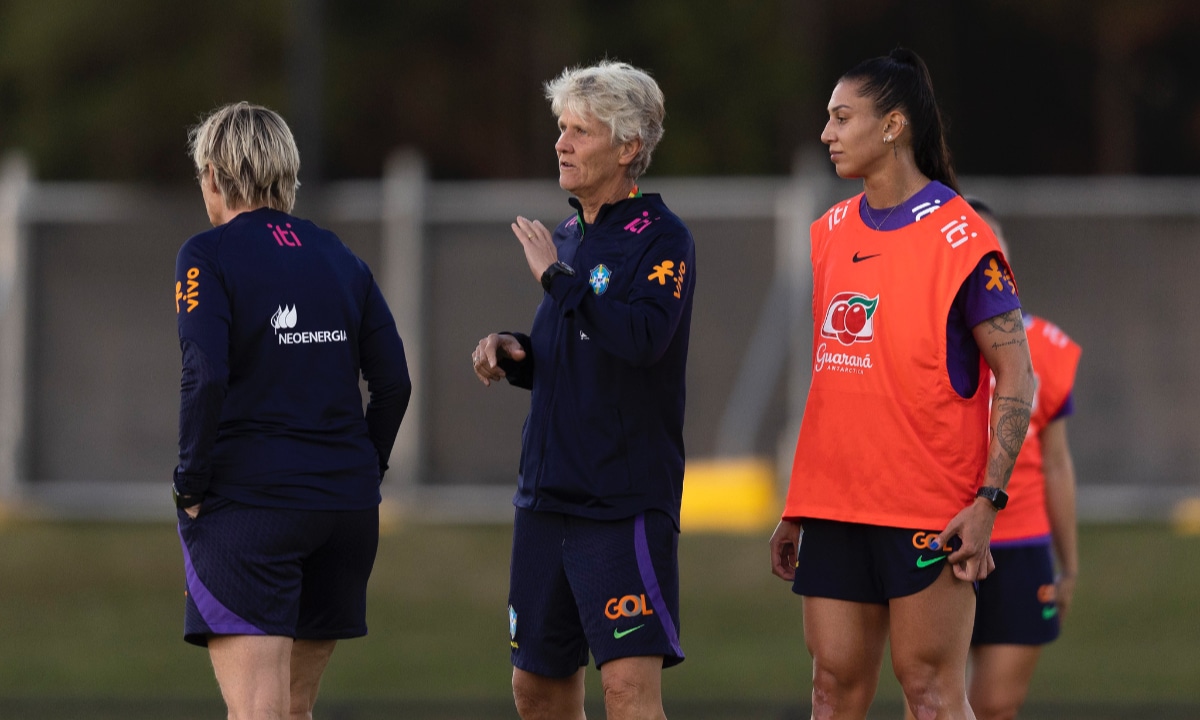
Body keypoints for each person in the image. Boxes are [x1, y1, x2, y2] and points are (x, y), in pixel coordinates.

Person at [768, 49, 1036, 720]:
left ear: (892, 126)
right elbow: (837, 381)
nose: (827, 133)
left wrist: (988, 501)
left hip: (926, 511)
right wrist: (799, 503)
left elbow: (1017, 375)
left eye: (841, 117)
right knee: (832, 692)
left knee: (932, 695)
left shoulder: (964, 239)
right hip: (833, 506)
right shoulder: (828, 233)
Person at [471, 61, 694, 720]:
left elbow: (642, 341)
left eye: (581, 132)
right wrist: (516, 355)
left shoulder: (662, 238)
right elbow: (577, 356)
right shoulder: (569, 235)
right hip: (544, 499)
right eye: (562, 129)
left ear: (629, 148)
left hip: (619, 503)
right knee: (535, 689)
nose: (562, 144)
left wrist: (556, 280)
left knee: (627, 692)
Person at [173, 102, 411, 720]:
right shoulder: (337, 255)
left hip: (252, 510)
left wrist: (189, 484)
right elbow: (394, 384)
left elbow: (206, 374)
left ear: (215, 178)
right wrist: (365, 472)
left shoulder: (206, 254)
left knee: (258, 713)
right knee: (293, 709)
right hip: (345, 513)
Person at [929, 198, 1078, 720]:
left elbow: (1057, 464)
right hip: (944, 532)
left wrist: (1071, 564)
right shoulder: (927, 337)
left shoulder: (1048, 348)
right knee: (926, 698)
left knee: (995, 705)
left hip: (1020, 541)